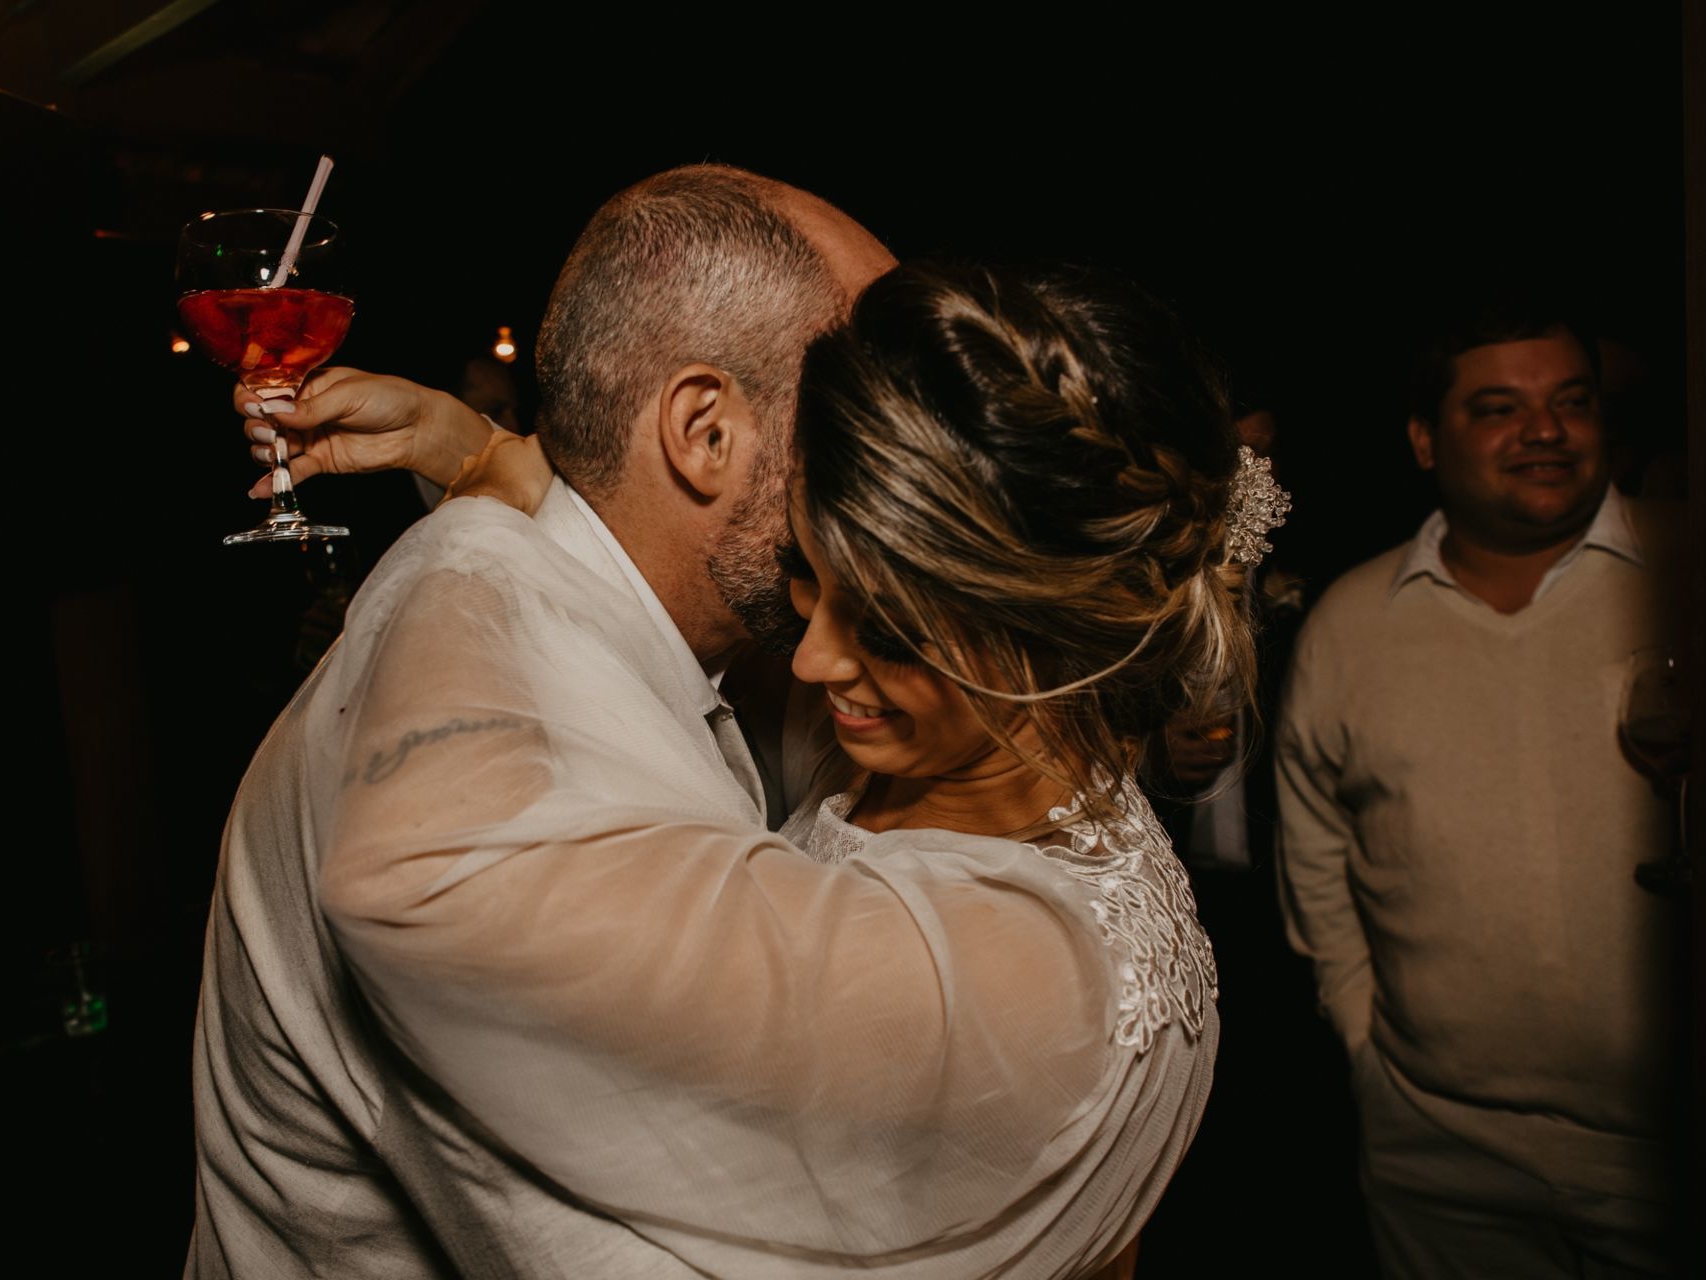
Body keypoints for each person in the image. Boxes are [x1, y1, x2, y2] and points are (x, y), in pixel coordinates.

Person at [192, 165, 1251, 1276]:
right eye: (848, 391)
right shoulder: (463, 705)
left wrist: (495, 477)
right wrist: (487, 504)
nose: (891, 432)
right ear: (703, 429)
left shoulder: (845, 699)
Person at [1274, 300, 1679, 1278]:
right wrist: (1361, 1026)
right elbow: (1315, 836)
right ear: (1425, 438)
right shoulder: (1353, 618)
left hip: (1669, 1149)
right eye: (1499, 407)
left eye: (1571, 403)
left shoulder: (1684, 569)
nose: (1545, 431)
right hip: (1437, 1149)